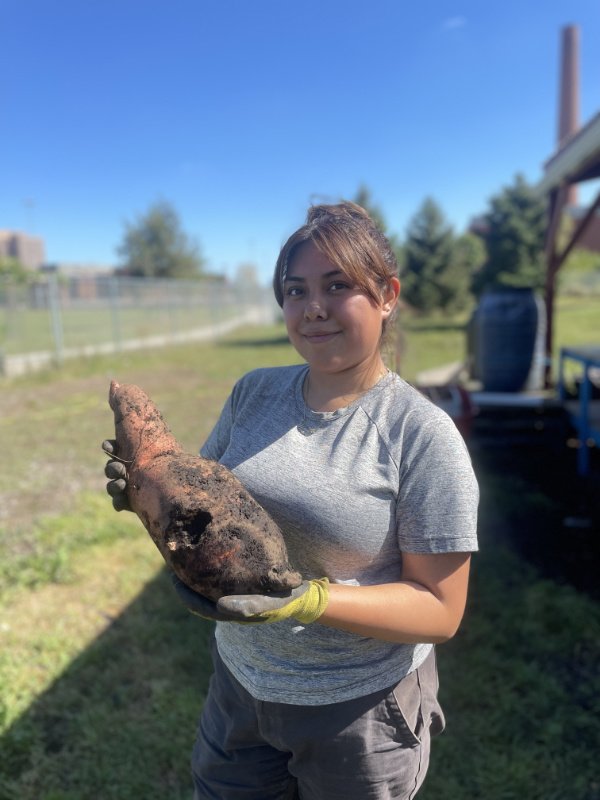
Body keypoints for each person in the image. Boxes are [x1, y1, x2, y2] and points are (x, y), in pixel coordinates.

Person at [104, 201, 479, 800]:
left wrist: (307, 600)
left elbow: (441, 609)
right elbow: (205, 505)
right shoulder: (254, 392)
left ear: (387, 295)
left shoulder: (420, 434)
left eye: (338, 286)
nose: (313, 308)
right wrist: (150, 493)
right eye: (295, 290)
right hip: (239, 686)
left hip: (357, 713)